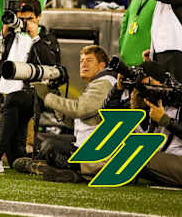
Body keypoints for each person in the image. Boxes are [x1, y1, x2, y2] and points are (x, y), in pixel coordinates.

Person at [0, 0, 61, 173]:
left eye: (29, 19)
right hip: (4, 95)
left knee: (14, 99)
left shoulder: (46, 37)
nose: (24, 23)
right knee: (16, 157)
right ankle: (14, 157)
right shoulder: (10, 36)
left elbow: (53, 65)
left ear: (38, 17)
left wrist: (35, 37)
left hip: (33, 94)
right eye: (21, 19)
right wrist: (1, 36)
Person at [15, 45, 116, 183]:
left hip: (95, 150)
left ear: (102, 65)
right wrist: (54, 95)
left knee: (50, 146)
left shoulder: (104, 82)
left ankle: (71, 170)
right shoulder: (98, 82)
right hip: (87, 144)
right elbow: (76, 121)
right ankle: (56, 168)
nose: (83, 64)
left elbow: (80, 109)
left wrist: (48, 97)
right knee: (42, 139)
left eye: (89, 60)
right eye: (81, 61)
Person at [104, 61, 182, 188]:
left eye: (147, 83)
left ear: (161, 82)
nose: (139, 91)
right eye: (138, 86)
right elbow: (108, 121)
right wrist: (117, 89)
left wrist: (166, 121)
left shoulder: (181, 100)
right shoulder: (140, 102)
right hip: (162, 161)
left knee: (136, 155)